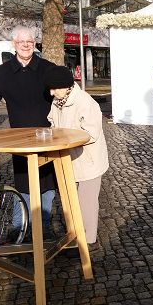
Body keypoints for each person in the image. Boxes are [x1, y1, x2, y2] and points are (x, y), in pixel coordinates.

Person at [0, 25, 57, 235]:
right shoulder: (3, 72)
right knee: (23, 180)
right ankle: (21, 226)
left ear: (35, 43)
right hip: (19, 137)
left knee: (47, 179)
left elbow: (62, 93)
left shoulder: (47, 68)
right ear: (14, 44)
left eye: (30, 42)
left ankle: (43, 224)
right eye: (22, 42)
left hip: (46, 134)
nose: (26, 45)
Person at [45, 67, 109, 251]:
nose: (51, 92)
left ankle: (88, 241)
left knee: (86, 202)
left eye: (55, 88)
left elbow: (91, 134)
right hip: (69, 160)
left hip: (89, 161)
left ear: (66, 86)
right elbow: (53, 122)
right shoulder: (57, 101)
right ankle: (74, 235)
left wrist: (64, 138)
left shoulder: (85, 103)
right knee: (70, 201)